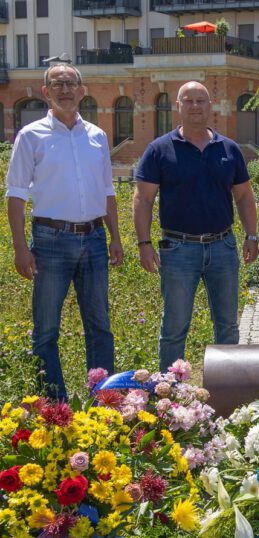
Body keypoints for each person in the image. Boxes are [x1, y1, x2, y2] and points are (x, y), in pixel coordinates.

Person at [6, 63, 121, 399]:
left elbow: (107, 190)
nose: (65, 89)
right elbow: (15, 194)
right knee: (46, 330)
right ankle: (55, 407)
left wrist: (115, 237)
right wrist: (19, 248)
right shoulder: (31, 136)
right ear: (46, 92)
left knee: (100, 327)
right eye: (57, 83)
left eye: (71, 83)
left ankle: (104, 402)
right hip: (50, 241)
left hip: (95, 239)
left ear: (82, 90)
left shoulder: (97, 136)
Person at [134, 81, 259, 371]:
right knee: (174, 327)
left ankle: (227, 385)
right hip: (178, 249)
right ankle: (170, 390)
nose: (195, 106)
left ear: (210, 105)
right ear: (178, 106)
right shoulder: (159, 150)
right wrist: (144, 243)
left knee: (227, 325)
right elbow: (143, 199)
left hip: (223, 247)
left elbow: (243, 196)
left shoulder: (228, 148)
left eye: (200, 101)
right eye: (188, 101)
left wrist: (251, 235)